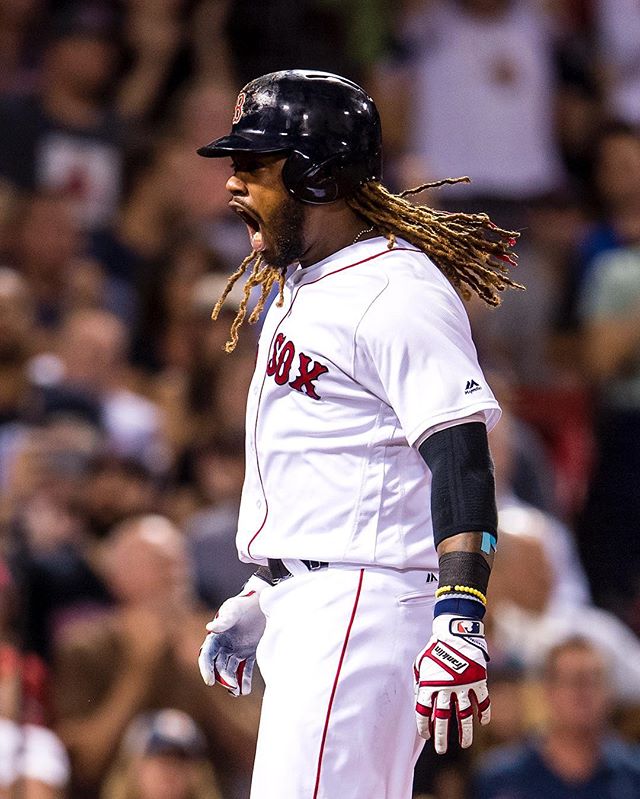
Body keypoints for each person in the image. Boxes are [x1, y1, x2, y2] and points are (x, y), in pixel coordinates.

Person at [196, 69, 521, 798]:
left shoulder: (395, 292)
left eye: (254, 165)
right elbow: (342, 464)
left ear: (317, 177)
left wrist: (461, 613)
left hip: (362, 614)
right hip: (325, 607)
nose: (232, 184)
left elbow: (462, 459)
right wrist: (276, 586)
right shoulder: (308, 282)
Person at [474, 637, 640, 799]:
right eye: (573, 681)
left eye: (593, 681)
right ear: (548, 691)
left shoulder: (633, 775)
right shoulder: (502, 778)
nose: (582, 693)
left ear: (610, 692)